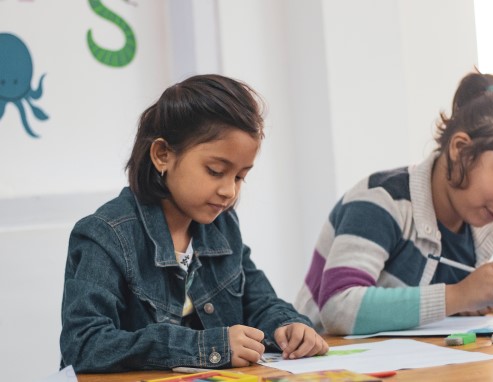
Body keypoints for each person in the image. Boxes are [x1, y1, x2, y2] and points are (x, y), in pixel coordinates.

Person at [60, 74, 328, 372]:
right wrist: (207, 348)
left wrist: (288, 326)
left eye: (240, 176)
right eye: (215, 171)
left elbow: (260, 302)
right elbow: (84, 345)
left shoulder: (222, 227)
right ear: (162, 155)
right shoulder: (105, 235)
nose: (229, 191)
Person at [295, 70, 493, 335]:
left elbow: (422, 308)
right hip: (327, 363)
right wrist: (458, 296)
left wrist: (468, 304)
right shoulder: (380, 200)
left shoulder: (477, 230)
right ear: (460, 150)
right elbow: (338, 307)